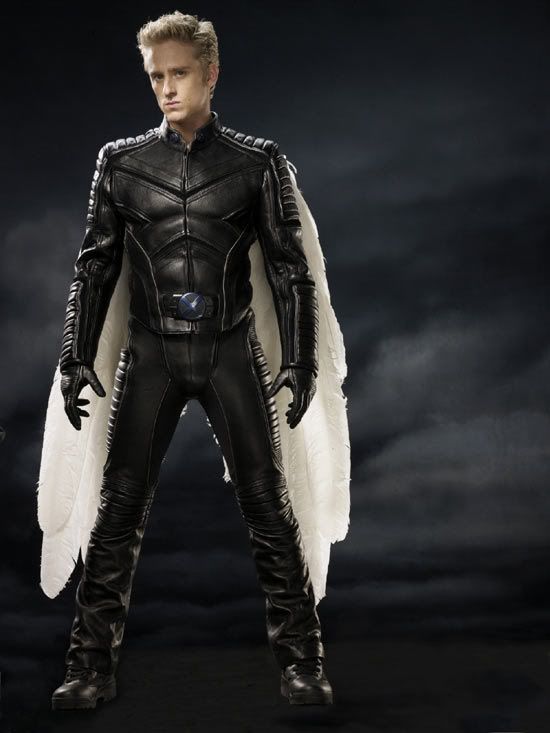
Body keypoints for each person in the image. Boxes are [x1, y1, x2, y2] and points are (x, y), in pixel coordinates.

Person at [44, 11, 348, 710]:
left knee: (268, 505)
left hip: (229, 347)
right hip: (149, 351)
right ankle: (89, 667)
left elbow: (290, 271)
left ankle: (303, 664)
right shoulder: (121, 164)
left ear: (210, 74)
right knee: (118, 509)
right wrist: (76, 353)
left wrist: (301, 359)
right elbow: (95, 267)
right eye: (156, 76)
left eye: (179, 73)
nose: (166, 88)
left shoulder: (255, 163)